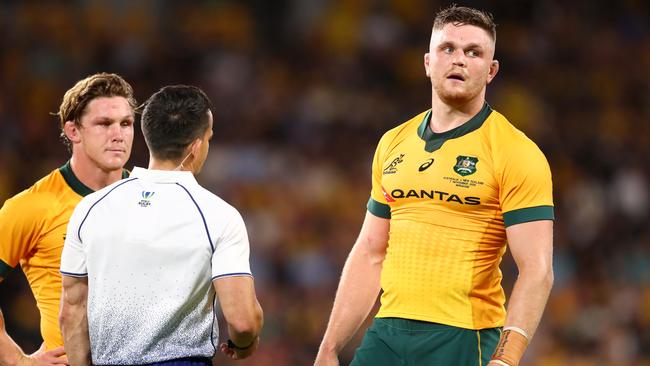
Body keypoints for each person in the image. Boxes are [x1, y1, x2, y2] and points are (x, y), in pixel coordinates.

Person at [315, 5, 554, 366]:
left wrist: (506, 359)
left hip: (464, 337)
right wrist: (329, 347)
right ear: (428, 62)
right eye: (448, 49)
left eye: (473, 52)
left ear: (491, 71)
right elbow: (370, 251)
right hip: (387, 334)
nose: (459, 60)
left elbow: (537, 269)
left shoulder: (516, 152)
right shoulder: (393, 142)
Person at [59, 85, 263, 366]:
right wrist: (246, 344)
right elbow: (242, 321)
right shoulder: (217, 216)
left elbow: (72, 311)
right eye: (208, 138)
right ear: (195, 146)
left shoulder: (90, 208)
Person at [0, 73, 136, 366]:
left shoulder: (150, 199)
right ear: (73, 131)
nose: (119, 134)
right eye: (104, 124)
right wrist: (16, 359)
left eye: (126, 123)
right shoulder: (32, 206)